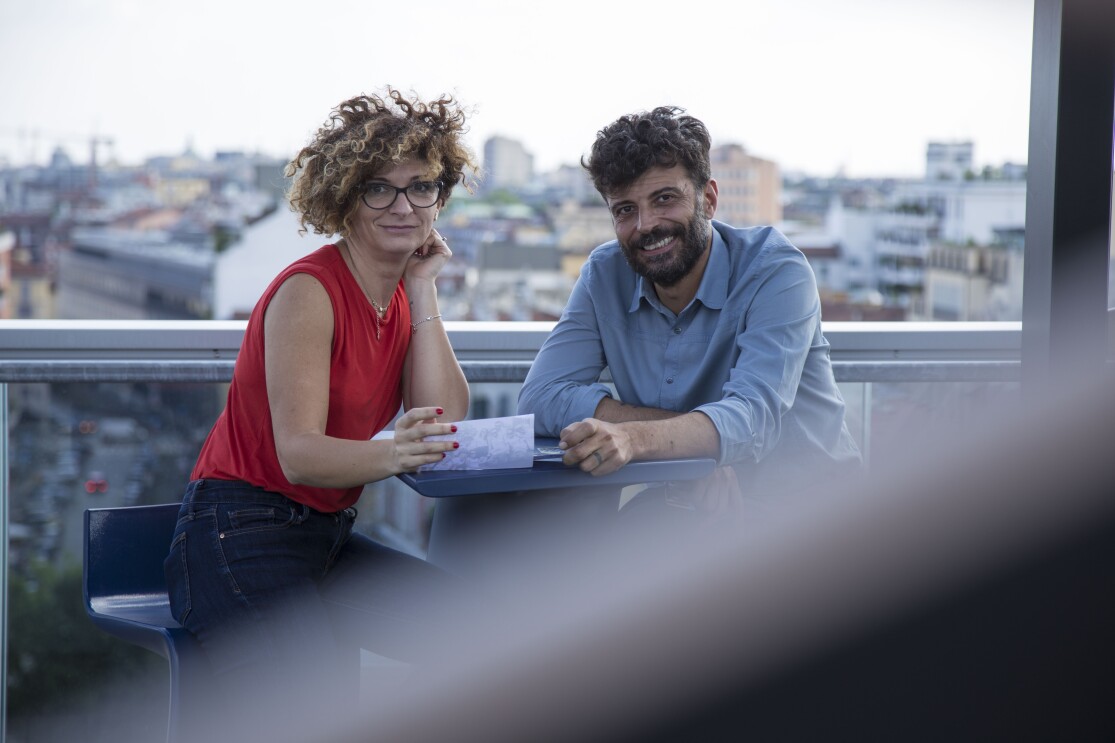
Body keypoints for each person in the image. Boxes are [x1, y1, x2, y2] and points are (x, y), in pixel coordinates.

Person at [162, 87, 478, 741]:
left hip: (321, 539)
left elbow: (442, 414)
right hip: (236, 534)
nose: (403, 206)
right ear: (344, 198)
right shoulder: (310, 290)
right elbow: (298, 451)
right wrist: (396, 450)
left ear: (440, 196)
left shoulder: (396, 293)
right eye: (378, 190)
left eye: (421, 187)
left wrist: (423, 292)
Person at [517, 105, 862, 515]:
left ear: (709, 199)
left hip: (814, 516)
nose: (645, 225)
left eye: (664, 199)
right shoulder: (604, 274)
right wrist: (692, 447)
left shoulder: (776, 271)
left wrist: (638, 439)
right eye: (625, 209)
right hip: (688, 506)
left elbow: (753, 419)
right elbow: (539, 399)